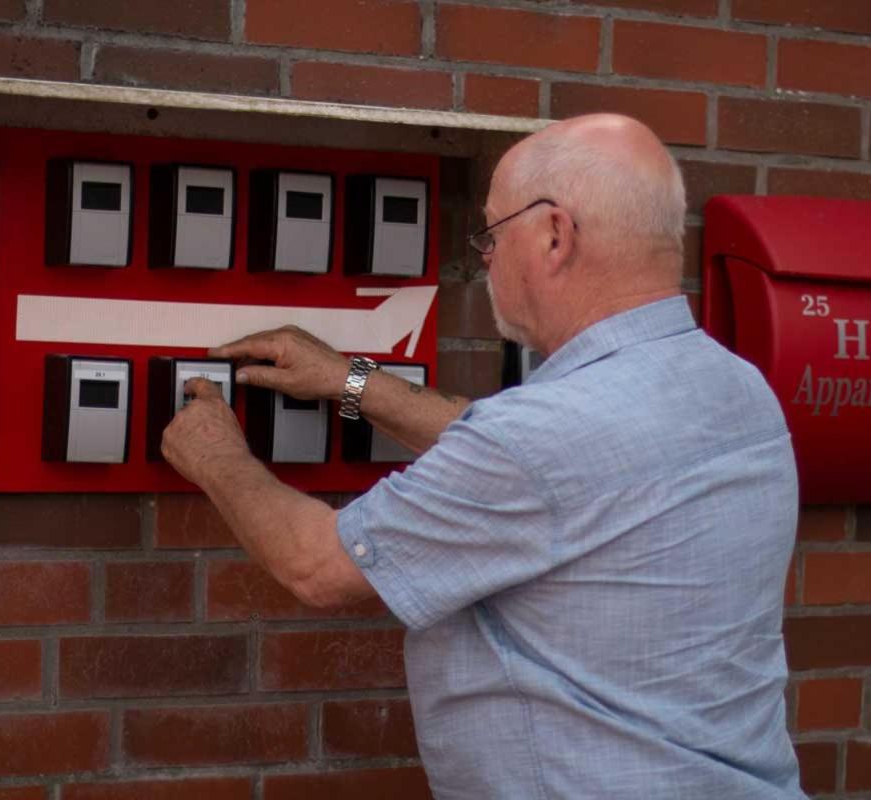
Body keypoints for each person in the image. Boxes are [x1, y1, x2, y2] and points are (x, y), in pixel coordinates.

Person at [162, 113, 806, 799]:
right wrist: (350, 382)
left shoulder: (543, 437)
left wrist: (215, 454)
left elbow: (318, 566)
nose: (485, 258)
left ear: (555, 235)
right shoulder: (738, 389)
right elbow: (539, 468)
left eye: (492, 235)